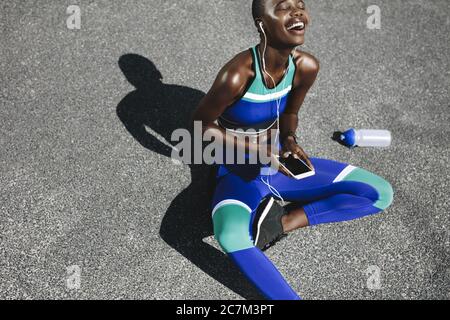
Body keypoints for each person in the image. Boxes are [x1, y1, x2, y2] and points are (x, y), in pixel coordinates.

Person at [191, 0, 394, 300]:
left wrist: (289, 140)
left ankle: (280, 222)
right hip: (237, 171)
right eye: (284, 7)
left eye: (300, 5)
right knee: (229, 235)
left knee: (379, 192)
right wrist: (257, 153)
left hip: (281, 166)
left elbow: (289, 115)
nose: (297, 12)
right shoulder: (237, 73)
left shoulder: (306, 66)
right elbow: (200, 125)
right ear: (262, 22)